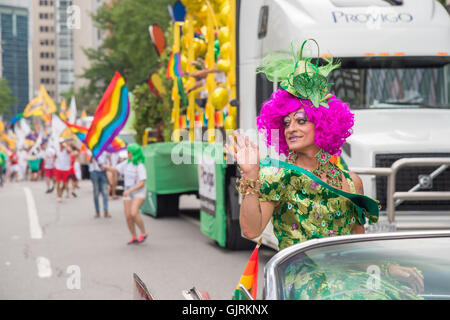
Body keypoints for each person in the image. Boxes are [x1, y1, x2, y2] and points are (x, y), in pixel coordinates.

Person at [225, 39, 424, 299]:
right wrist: (251, 175)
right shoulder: (278, 176)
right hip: (304, 279)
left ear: (323, 124)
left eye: (301, 120)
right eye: (286, 122)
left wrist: (388, 268)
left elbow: (356, 246)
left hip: (349, 275)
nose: (291, 128)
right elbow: (250, 231)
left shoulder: (350, 182)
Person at [102, 144, 148, 245]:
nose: (128, 153)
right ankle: (134, 236)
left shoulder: (140, 166)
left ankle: (143, 233)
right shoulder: (126, 163)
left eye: (129, 152)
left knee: (134, 213)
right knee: (128, 216)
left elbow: (142, 183)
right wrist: (103, 167)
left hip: (138, 190)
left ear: (134, 153)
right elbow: (115, 169)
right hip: (128, 190)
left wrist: (130, 190)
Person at [89, 151, 110, 218]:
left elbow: (108, 160)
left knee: (104, 192)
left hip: (103, 172)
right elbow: (89, 161)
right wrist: (93, 154)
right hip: (94, 172)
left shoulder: (105, 150)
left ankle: (106, 211)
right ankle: (97, 211)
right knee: (96, 193)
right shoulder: (92, 149)